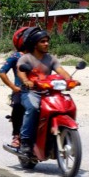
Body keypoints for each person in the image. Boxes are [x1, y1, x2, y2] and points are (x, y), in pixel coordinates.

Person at [17, 28, 75, 156]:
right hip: (31, 92)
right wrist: (26, 80)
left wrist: (70, 80)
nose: (46, 44)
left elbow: (61, 71)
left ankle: (63, 133)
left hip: (48, 92)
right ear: (35, 44)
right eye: (42, 41)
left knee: (66, 105)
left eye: (47, 41)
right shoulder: (26, 58)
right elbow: (20, 71)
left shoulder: (50, 58)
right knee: (33, 108)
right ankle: (26, 141)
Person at [0, 27, 34, 151]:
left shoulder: (38, 55)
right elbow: (2, 72)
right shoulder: (16, 56)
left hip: (38, 89)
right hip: (21, 90)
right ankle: (17, 136)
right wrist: (13, 87)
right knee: (18, 105)